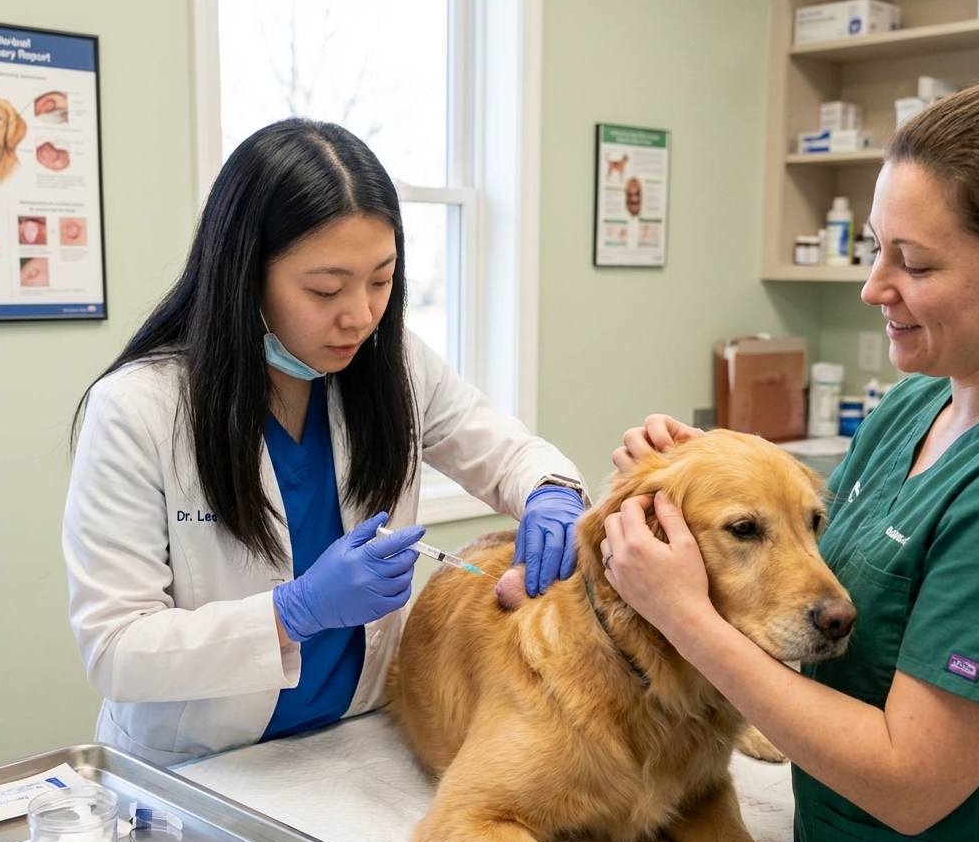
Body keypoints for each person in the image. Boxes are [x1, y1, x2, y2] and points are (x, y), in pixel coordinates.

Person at [599, 81, 979, 842]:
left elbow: (912, 779)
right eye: (874, 249)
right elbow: (796, 593)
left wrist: (686, 619)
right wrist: (689, 470)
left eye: (917, 263)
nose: (875, 288)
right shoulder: (909, 409)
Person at [63, 119, 587, 767]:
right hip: (198, 766)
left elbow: (503, 450)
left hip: (354, 743)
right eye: (325, 289)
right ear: (244, 275)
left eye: (382, 279)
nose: (361, 316)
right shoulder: (139, 410)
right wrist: (294, 612)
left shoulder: (391, 366)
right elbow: (116, 651)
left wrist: (551, 494)